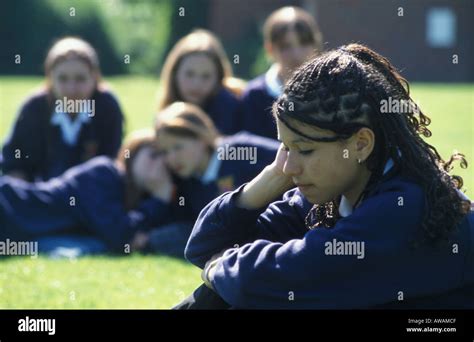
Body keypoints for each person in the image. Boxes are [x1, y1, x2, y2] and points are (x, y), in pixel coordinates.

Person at [178, 44, 474, 309]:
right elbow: (204, 246)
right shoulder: (334, 192)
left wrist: (221, 268)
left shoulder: (405, 204)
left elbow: (294, 276)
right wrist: (265, 183)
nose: (289, 166)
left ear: (360, 144)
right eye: (285, 147)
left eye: (304, 150)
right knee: (219, 296)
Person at [0, 129, 173, 257]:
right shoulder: (104, 172)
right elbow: (120, 235)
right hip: (10, 205)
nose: (159, 165)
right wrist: (159, 199)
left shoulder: (139, 198)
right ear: (133, 154)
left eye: (165, 161)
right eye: (153, 155)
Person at [143, 102, 281, 257]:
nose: (171, 158)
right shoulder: (186, 181)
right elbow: (191, 229)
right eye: (164, 151)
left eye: (177, 147)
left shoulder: (241, 151)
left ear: (202, 138)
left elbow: (289, 159)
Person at [1, 37, 124, 181]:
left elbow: (112, 163)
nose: (71, 89)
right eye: (63, 79)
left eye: (80, 79)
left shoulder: (106, 107)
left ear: (95, 78)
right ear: (50, 78)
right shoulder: (34, 108)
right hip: (38, 196)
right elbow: (12, 163)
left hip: (91, 196)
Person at [240, 6, 323, 139]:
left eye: (304, 43)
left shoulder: (328, 92)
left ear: (316, 43)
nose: (296, 54)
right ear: (270, 49)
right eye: (285, 46)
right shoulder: (255, 95)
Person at [156, 29, 244, 135]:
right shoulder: (166, 113)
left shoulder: (232, 109)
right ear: (175, 74)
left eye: (206, 76)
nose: (196, 84)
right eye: (189, 74)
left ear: (219, 79)